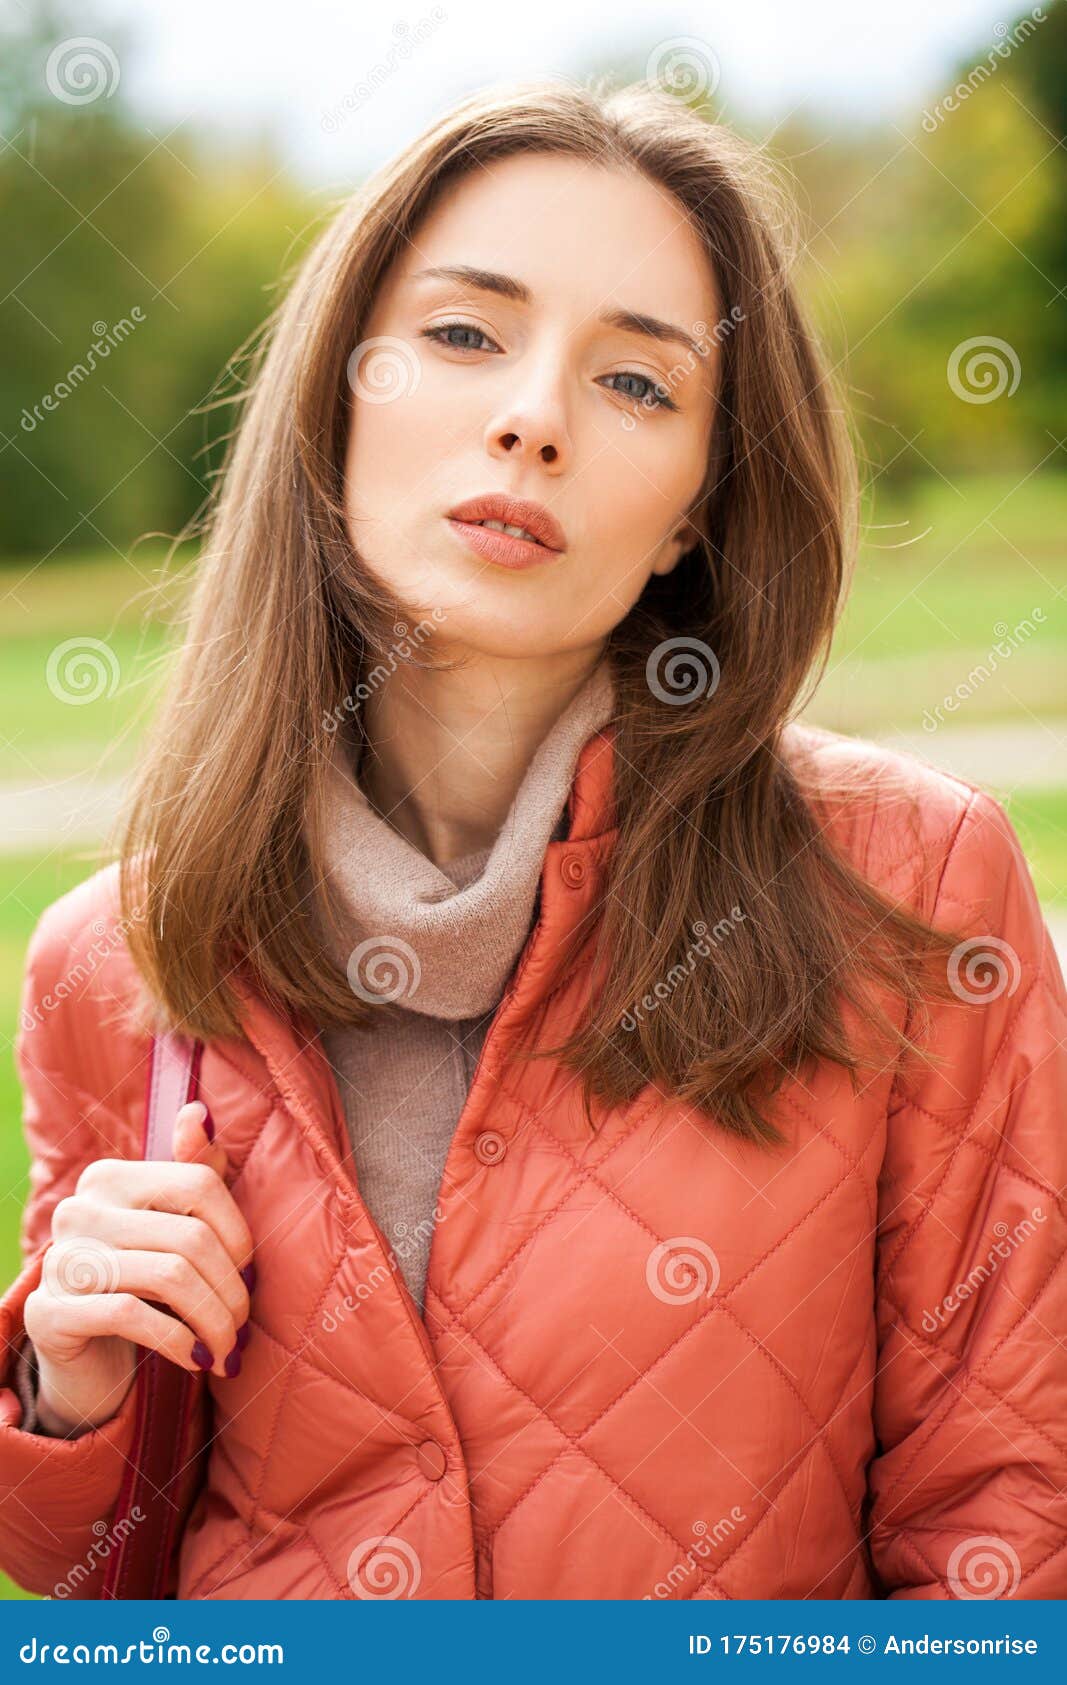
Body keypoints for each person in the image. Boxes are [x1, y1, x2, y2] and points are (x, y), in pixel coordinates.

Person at [1, 78, 1065, 1602]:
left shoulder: (910, 884)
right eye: (461, 334)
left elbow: (1008, 1524)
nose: (532, 417)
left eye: (638, 383)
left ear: (698, 505)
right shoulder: (115, 961)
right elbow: (106, 1588)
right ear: (339, 390)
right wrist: (70, 1389)